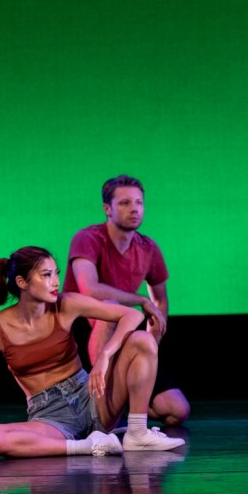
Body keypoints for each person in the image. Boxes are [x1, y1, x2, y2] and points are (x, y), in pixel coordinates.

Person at [0, 246, 185, 458]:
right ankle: (88, 446)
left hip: (92, 397)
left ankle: (137, 433)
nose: (56, 282)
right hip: (50, 417)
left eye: (56, 273)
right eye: (46, 275)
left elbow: (131, 315)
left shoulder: (66, 304)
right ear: (22, 282)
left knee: (142, 340)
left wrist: (105, 355)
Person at [63, 175, 190, 427]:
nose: (134, 209)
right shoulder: (88, 238)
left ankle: (122, 405)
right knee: (111, 309)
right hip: (80, 331)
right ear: (107, 209)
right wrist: (140, 299)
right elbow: (90, 288)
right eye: (124, 203)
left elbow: (159, 300)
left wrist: (153, 341)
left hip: (123, 333)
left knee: (177, 410)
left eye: (139, 202)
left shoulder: (148, 247)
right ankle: (100, 404)